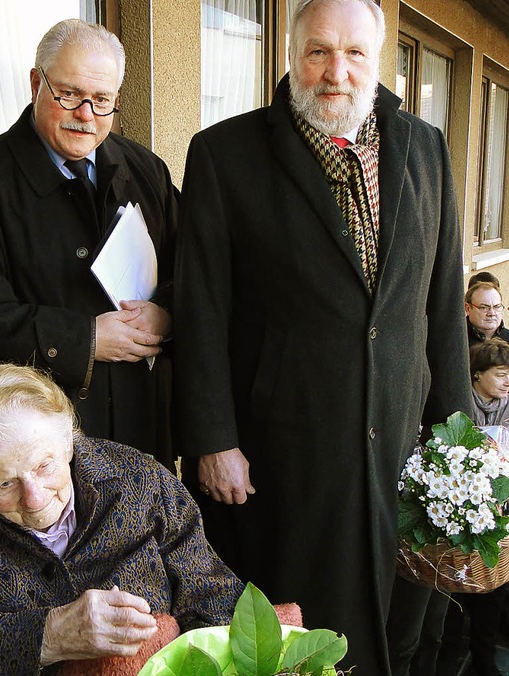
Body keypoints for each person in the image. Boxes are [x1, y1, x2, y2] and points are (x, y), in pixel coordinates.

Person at [173, 0, 472, 672]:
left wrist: (459, 439)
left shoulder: (425, 148)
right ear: (291, 54)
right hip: (284, 452)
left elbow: (442, 305)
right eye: (318, 52)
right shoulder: (225, 155)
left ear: (379, 58)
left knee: (405, 624)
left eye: (354, 53)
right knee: (301, 636)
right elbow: (201, 313)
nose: (335, 71)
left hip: (402, 443)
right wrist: (212, 440)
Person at [0, 20, 177, 467]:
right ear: (36, 83)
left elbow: (196, 270)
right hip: (27, 445)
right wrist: (85, 339)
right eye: (69, 94)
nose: (86, 114)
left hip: (140, 428)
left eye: (102, 100)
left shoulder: (146, 170)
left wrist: (167, 313)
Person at [0, 363, 243, 674]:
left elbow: (215, 599)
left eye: (45, 466)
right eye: (6, 482)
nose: (35, 498)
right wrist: (45, 637)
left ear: (69, 445)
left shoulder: (141, 482)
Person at [437, 338, 509, 676]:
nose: (507, 382)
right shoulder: (458, 403)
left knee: (495, 589)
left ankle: (484, 657)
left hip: (501, 511)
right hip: (462, 511)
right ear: (477, 375)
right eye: (501, 374)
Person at [466, 281, 509, 346]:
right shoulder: (455, 339)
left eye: (496, 307)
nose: (492, 313)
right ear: (468, 308)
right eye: (484, 307)